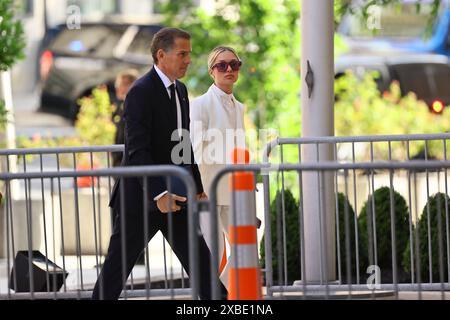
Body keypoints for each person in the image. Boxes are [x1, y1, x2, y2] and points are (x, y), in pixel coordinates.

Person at [92, 28, 227, 300]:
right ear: (161, 55)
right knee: (115, 272)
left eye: (189, 54)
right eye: (182, 54)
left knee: (201, 263)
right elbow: (137, 151)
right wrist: (158, 193)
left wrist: (197, 184)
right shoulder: (140, 92)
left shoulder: (181, 90)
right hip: (140, 199)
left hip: (176, 195)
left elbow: (183, 141)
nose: (188, 60)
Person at [190, 46, 246, 289]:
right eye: (222, 65)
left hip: (234, 190)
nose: (229, 69)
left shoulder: (240, 107)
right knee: (215, 251)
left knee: (244, 250)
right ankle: (219, 297)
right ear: (212, 71)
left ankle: (230, 295)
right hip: (207, 190)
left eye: (234, 64)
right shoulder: (199, 104)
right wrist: (196, 186)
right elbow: (193, 148)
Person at [111, 69, 139, 168]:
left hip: (128, 162)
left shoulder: (135, 106)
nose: (118, 88)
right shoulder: (120, 107)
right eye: (117, 85)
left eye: (122, 84)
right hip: (120, 160)